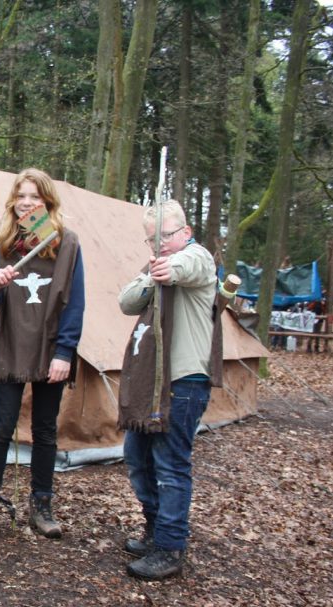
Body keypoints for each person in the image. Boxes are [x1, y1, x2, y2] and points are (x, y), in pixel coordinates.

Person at [0, 168, 85, 541]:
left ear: (47, 201)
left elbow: (74, 302)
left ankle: (42, 504)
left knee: (44, 430)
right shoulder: (2, 246)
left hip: (50, 347)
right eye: (21, 196)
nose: (26, 203)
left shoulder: (66, 244)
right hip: (12, 345)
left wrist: (65, 352)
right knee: (1, 427)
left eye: (34, 197)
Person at [118, 199, 217, 580]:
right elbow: (127, 301)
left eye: (165, 236)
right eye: (151, 240)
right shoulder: (155, 268)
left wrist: (168, 267)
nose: (158, 244)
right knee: (138, 457)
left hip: (183, 380)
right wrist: (152, 274)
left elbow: (187, 266)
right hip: (151, 382)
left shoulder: (198, 258)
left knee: (170, 465)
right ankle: (155, 528)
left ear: (186, 232)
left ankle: (170, 545)